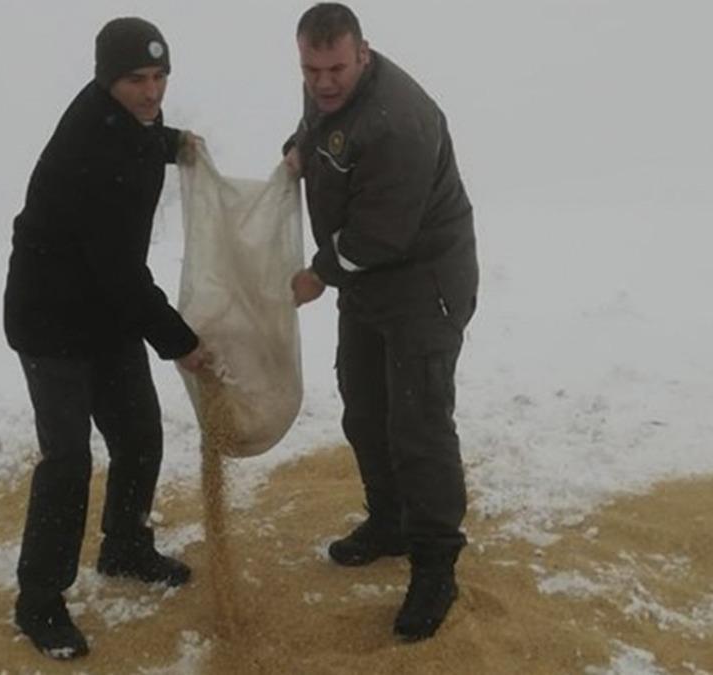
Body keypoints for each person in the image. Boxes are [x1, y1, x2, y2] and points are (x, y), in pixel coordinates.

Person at [3, 17, 212, 660]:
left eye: (159, 77)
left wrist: (180, 142)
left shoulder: (133, 124)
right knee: (68, 460)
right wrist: (182, 342)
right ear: (105, 81)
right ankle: (39, 600)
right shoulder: (89, 150)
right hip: (52, 321)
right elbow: (122, 273)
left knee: (139, 434)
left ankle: (125, 546)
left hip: (104, 313)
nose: (152, 93)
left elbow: (145, 138)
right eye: (136, 81)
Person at [283, 3, 479, 641]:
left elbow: (379, 236)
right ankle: (389, 520)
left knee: (418, 425)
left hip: (423, 285)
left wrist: (317, 275)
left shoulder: (400, 122)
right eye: (311, 69)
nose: (323, 82)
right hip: (367, 286)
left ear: (362, 53)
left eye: (335, 67)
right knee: (364, 408)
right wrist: (297, 150)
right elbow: (320, 128)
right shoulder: (328, 93)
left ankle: (434, 564)